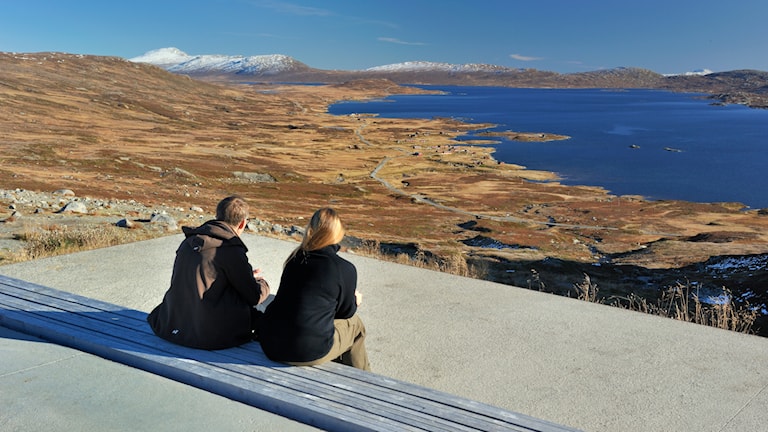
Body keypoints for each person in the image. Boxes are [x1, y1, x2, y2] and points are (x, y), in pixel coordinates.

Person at [147, 195, 270, 350]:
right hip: (208, 336)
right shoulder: (230, 250)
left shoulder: (189, 242)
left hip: (170, 323)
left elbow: (206, 277)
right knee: (259, 315)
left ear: (217, 216)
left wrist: (246, 275)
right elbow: (254, 296)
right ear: (242, 223)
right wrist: (262, 283)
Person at [259, 208, 371, 371]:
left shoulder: (295, 259)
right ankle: (364, 382)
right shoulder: (344, 268)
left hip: (271, 344)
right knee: (355, 325)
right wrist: (355, 301)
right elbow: (345, 313)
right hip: (304, 351)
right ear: (337, 233)